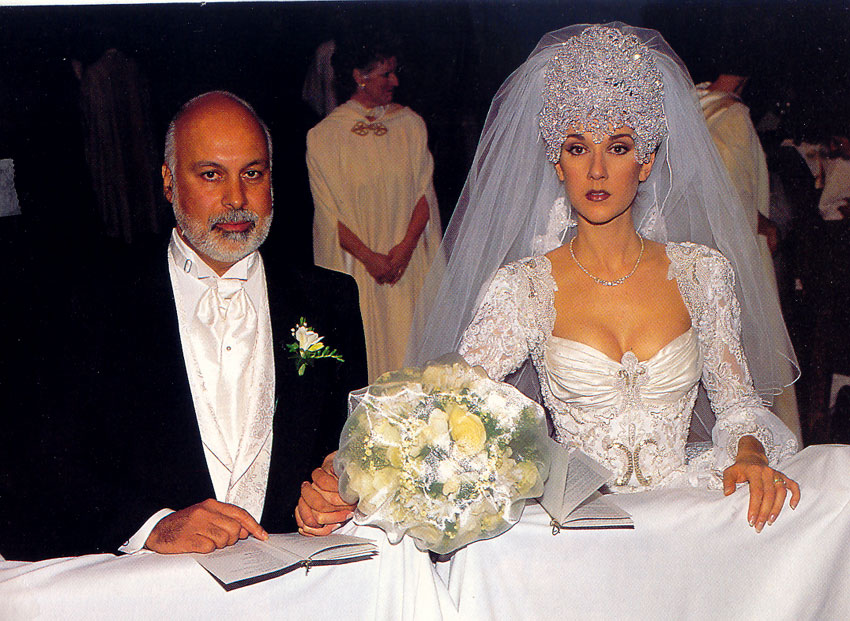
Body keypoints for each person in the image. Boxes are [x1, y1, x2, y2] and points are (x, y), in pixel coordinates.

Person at [300, 24, 805, 536]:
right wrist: (355, 469)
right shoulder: (524, 289)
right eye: (578, 148)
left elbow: (738, 406)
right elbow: (446, 406)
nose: (597, 170)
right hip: (580, 531)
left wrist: (749, 451)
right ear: (557, 163)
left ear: (647, 161)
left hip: (684, 519)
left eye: (619, 147)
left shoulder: (703, 273)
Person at [5, 91, 367, 561]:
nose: (236, 199)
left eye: (252, 173)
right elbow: (40, 468)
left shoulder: (330, 300)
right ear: (169, 182)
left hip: (294, 581)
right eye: (211, 174)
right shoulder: (93, 304)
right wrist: (149, 526)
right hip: (150, 586)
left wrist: (338, 491)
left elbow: (347, 448)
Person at [307, 34, 443, 382]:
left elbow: (424, 197)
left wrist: (405, 249)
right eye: (386, 74)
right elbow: (328, 217)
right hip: (361, 271)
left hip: (407, 268)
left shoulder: (411, 126)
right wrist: (371, 258)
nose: (395, 82)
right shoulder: (325, 137)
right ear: (359, 76)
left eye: (395, 73)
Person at [696, 73, 802, 442]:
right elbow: (731, 197)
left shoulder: (690, 101)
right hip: (734, 254)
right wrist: (764, 224)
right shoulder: (731, 115)